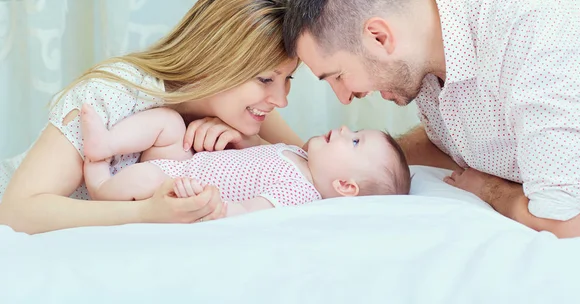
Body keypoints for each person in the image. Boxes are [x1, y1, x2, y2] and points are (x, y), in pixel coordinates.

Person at [282, 0, 580, 238]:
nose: (345, 97)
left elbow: (578, 224)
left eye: (338, 76)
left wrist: (491, 190)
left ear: (379, 37)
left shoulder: (537, 39)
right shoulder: (429, 66)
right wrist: (342, 169)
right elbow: (462, 141)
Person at [0, 0, 304, 234]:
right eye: (266, 79)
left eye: (289, 78)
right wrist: (145, 213)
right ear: (217, 60)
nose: (282, 99)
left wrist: (249, 144)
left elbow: (312, 168)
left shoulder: (251, 113)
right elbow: (16, 212)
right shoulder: (114, 93)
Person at [79, 104, 410, 214]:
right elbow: (253, 149)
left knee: (146, 179)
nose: (343, 128)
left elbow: (245, 211)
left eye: (354, 141)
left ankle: (101, 187)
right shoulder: (298, 154)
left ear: (344, 186)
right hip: (184, 159)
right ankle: (105, 144)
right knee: (168, 122)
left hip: (176, 181)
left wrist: (202, 201)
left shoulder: (299, 193)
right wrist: (239, 137)